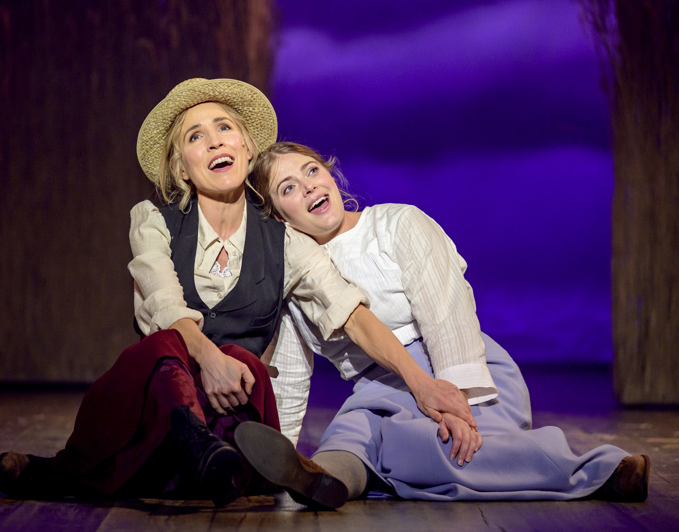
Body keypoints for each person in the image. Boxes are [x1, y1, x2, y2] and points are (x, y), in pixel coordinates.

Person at [0, 79, 475, 507]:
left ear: (246, 148)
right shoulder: (153, 222)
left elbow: (350, 314)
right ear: (183, 169)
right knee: (164, 347)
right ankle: (143, 456)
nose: (214, 140)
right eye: (195, 137)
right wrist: (209, 359)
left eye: (224, 127)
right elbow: (163, 306)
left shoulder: (286, 242)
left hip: (232, 406)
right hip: (153, 401)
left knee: (245, 364)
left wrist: (422, 383)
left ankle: (202, 462)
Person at [234, 141, 650, 507]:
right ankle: (319, 480)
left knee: (433, 448)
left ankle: (601, 470)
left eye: (311, 171)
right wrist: (281, 446)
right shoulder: (294, 275)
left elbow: (446, 313)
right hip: (377, 389)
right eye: (288, 188)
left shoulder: (397, 224)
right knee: (349, 435)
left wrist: (454, 401)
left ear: (330, 174)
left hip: (451, 368)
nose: (308, 186)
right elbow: (290, 372)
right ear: (278, 217)